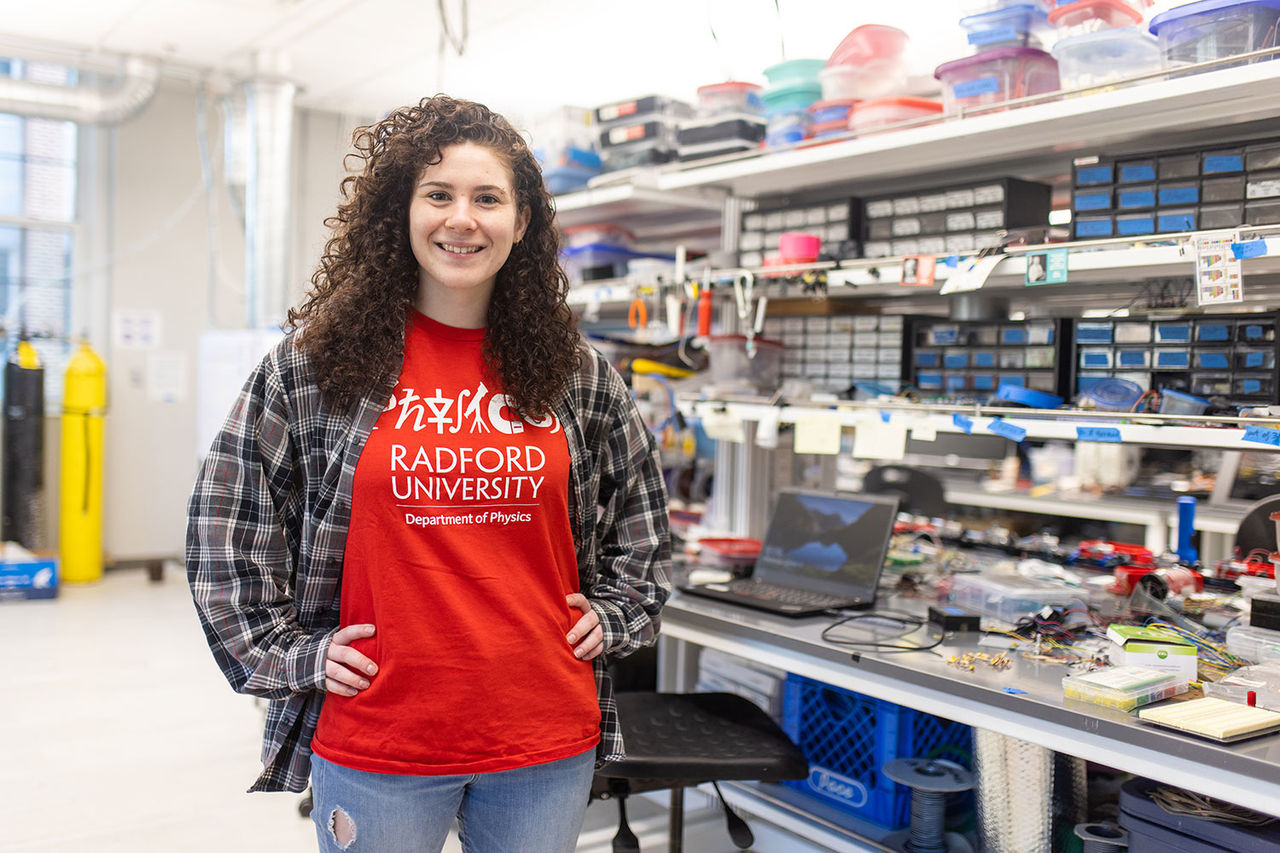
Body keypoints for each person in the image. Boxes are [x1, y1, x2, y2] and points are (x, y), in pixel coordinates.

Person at [186, 95, 671, 853]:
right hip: (381, 731)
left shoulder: (576, 376)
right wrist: (288, 652)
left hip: (542, 733)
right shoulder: (318, 369)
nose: (462, 219)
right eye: (438, 194)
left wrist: (618, 614)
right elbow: (226, 516)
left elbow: (643, 518)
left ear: (522, 222)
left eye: (488, 198)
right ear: (400, 213)